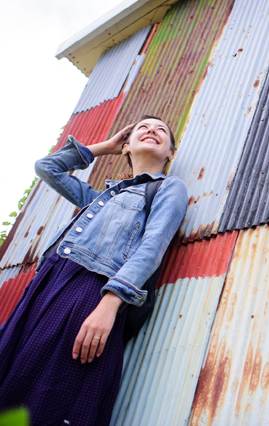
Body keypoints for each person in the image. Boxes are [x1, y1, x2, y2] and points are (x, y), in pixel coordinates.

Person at [0, 115, 188, 425]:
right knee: (16, 375)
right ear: (126, 146)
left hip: (91, 294)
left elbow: (153, 246)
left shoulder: (168, 188)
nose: (152, 130)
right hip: (47, 287)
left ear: (170, 153)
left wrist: (111, 303)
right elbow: (47, 168)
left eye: (161, 131)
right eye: (143, 127)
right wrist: (105, 147)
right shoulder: (99, 198)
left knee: (58, 392)